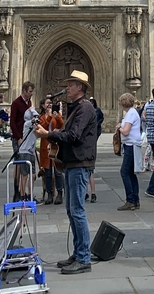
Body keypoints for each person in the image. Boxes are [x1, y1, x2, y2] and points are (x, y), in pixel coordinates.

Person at [35, 70, 97, 275]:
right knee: (71, 211)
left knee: (77, 211)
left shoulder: (85, 108)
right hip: (71, 163)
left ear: (80, 87)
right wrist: (51, 134)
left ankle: (84, 258)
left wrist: (48, 134)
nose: (67, 88)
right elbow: (67, 133)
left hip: (80, 163)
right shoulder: (76, 108)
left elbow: (74, 135)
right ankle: (78, 254)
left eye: (70, 85)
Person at [117, 92, 141, 210]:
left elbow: (126, 131)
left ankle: (130, 200)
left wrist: (119, 128)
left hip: (131, 145)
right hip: (131, 145)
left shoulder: (131, 113)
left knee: (124, 172)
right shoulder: (132, 112)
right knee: (131, 173)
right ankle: (135, 200)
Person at [10, 82, 34, 199]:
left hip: (27, 138)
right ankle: (17, 191)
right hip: (18, 138)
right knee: (18, 164)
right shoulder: (16, 103)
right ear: (24, 91)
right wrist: (18, 137)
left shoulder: (29, 102)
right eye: (30, 91)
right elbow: (12, 122)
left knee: (25, 164)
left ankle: (23, 191)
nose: (32, 93)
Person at [39, 97, 64, 204]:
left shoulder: (55, 115)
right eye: (47, 103)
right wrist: (49, 116)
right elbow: (43, 126)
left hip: (55, 146)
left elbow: (61, 125)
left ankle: (59, 193)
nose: (49, 105)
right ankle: (49, 193)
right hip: (45, 146)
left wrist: (57, 116)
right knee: (47, 172)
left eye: (51, 103)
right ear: (43, 105)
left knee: (57, 171)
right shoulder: (41, 117)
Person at [87, 97, 104, 202]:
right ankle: (92, 193)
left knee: (85, 172)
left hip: (85, 151)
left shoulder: (94, 112)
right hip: (90, 150)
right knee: (89, 172)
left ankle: (87, 193)